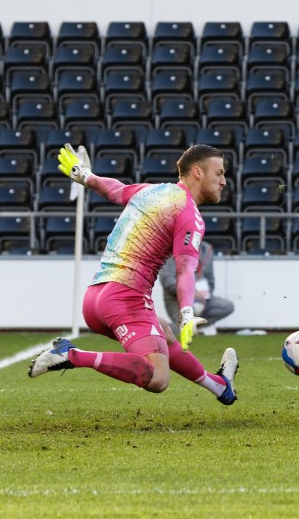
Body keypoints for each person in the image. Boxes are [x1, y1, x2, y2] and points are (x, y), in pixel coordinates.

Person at [28, 144, 239, 405]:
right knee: (158, 377)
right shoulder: (188, 213)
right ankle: (71, 355)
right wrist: (186, 313)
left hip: (95, 299)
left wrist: (85, 176)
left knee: (164, 333)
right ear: (197, 172)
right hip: (126, 298)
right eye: (218, 173)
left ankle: (220, 387)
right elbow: (185, 268)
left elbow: (114, 189)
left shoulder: (152, 191)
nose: (223, 181)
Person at [159, 240, 235, 335]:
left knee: (227, 306)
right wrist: (191, 293)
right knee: (182, 332)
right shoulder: (171, 249)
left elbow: (210, 280)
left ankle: (195, 326)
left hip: (201, 300)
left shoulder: (207, 249)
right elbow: (166, 280)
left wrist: (205, 294)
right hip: (177, 299)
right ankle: (164, 329)